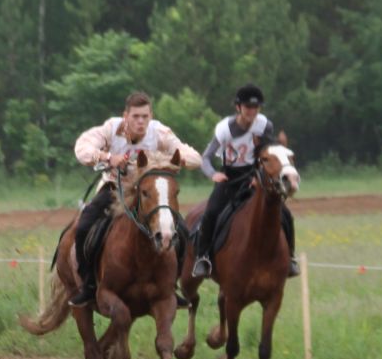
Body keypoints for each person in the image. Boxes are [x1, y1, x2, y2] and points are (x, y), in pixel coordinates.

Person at [67, 91, 201, 308]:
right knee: (84, 226)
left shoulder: (159, 132)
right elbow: (82, 148)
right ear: (125, 116)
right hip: (114, 188)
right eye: (136, 116)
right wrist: (108, 157)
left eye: (145, 116)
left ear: (151, 116)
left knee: (183, 231)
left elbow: (195, 157)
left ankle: (171, 287)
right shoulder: (111, 128)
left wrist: (172, 159)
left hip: (147, 193)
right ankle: (89, 285)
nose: (141, 121)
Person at [191, 83, 300, 280]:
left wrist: (259, 175)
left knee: (284, 213)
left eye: (255, 108)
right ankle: (203, 258)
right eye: (248, 107)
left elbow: (265, 153)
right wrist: (213, 174)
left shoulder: (264, 125)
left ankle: (290, 258)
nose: (252, 111)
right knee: (212, 212)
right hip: (229, 178)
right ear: (238, 107)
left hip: (254, 177)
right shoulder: (224, 129)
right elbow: (204, 158)